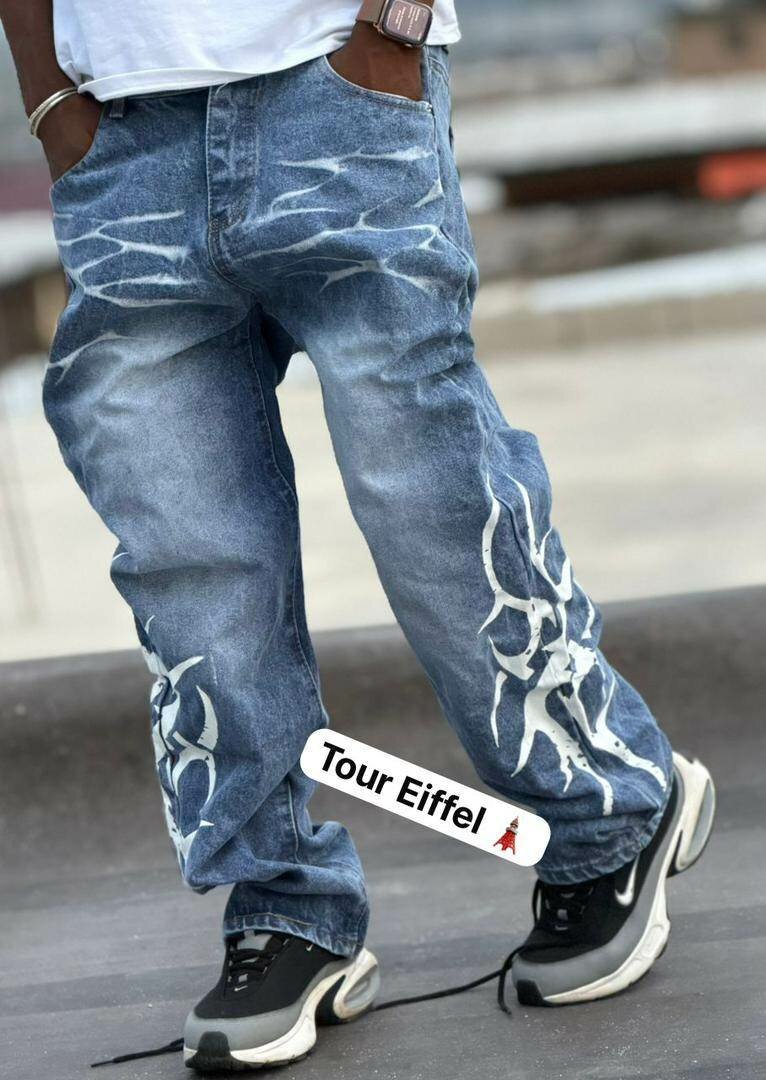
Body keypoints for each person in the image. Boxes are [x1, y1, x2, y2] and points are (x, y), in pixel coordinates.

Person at [1, 0, 716, 1071]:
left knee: (429, 501)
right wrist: (49, 94)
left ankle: (605, 806)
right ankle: (284, 905)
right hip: (122, 130)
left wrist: (389, 23)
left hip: (331, 86)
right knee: (187, 555)